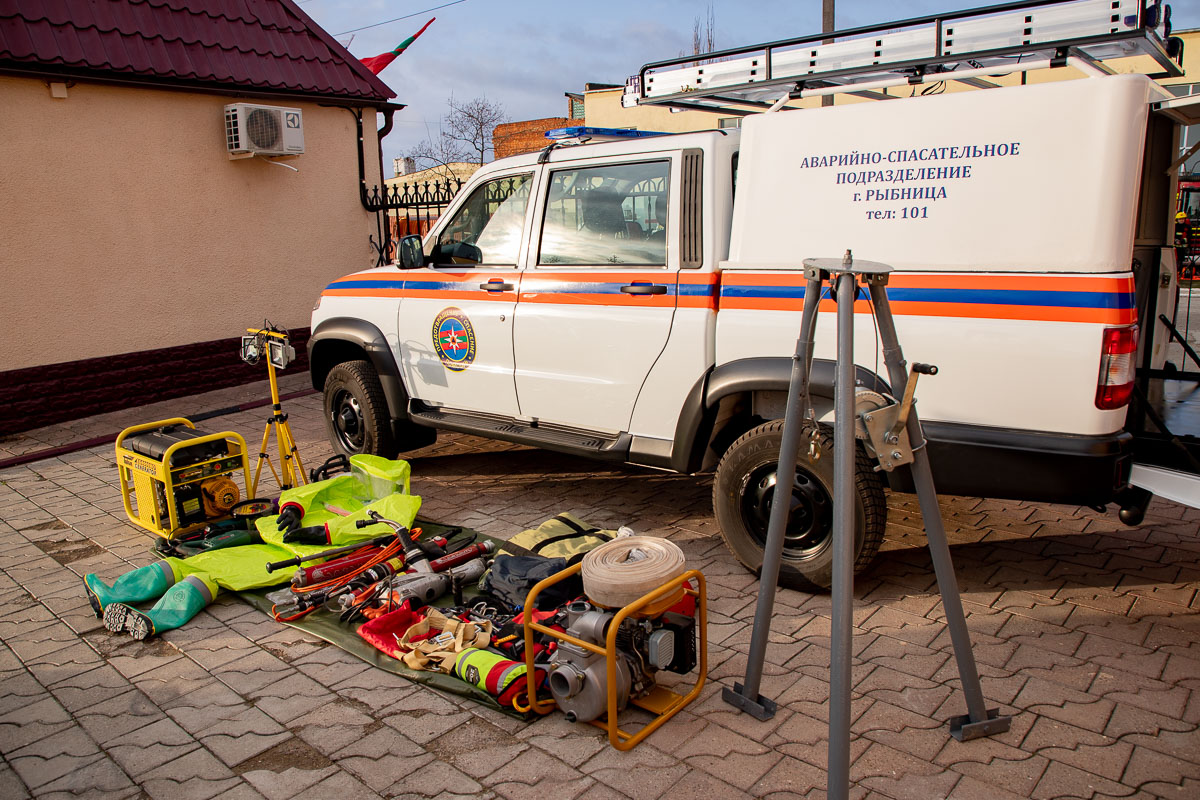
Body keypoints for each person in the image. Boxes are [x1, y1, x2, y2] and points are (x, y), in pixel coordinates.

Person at [83, 455, 420, 640]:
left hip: (298, 557)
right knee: (202, 562)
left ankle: (155, 618)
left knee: (214, 573)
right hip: (278, 539)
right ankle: (115, 594)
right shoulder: (351, 483)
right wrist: (293, 509)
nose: (366, 482)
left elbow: (386, 522)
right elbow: (306, 492)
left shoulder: (399, 502)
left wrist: (326, 533)